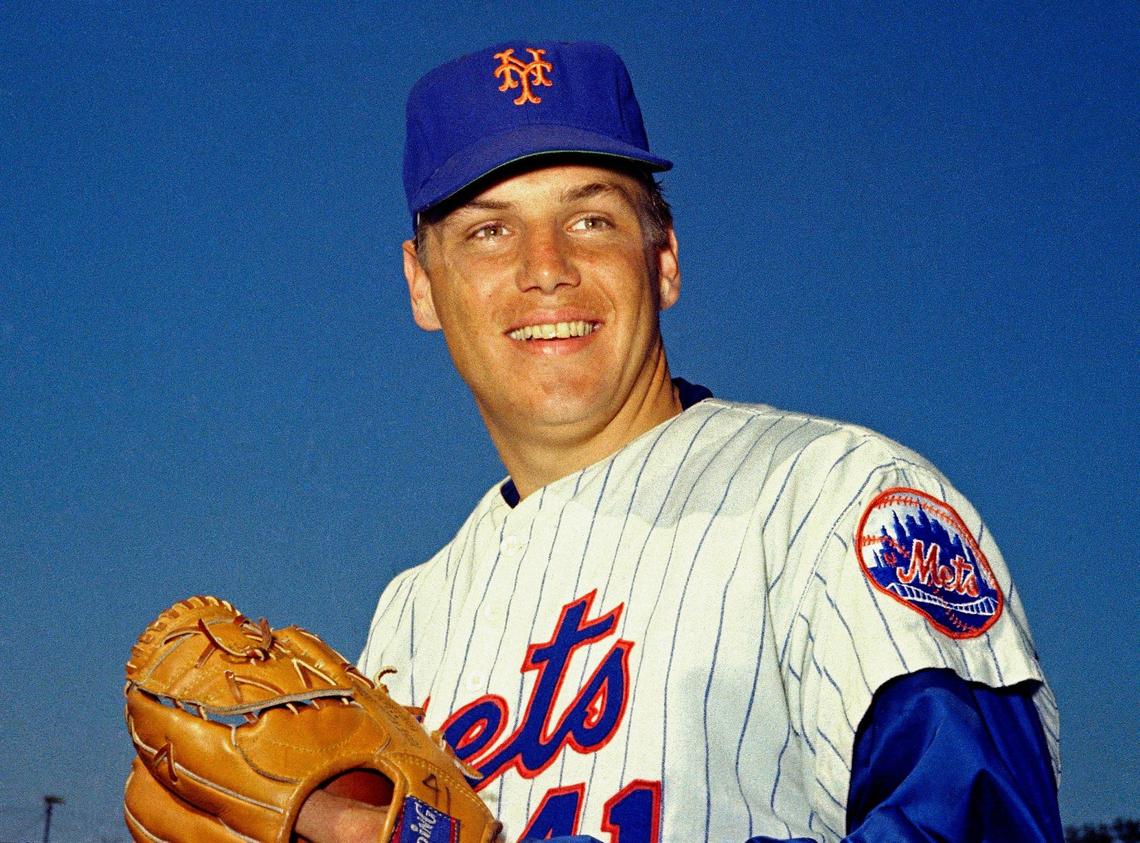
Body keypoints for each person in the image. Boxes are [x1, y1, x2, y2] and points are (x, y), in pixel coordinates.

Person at [305, 41, 1063, 841]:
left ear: (663, 258)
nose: (546, 267)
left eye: (589, 219)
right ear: (422, 284)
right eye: (490, 232)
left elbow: (977, 822)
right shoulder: (409, 621)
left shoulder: (839, 497)